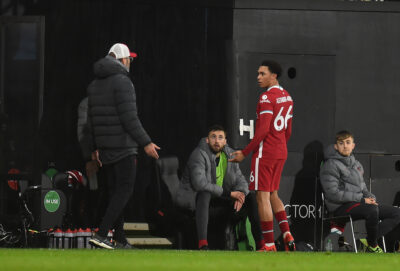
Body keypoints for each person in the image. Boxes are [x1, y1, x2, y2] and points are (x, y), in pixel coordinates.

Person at [86, 43, 160, 249]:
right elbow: (130, 118)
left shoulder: (94, 85)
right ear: (122, 60)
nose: (130, 63)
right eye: (129, 59)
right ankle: (102, 234)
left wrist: (94, 148)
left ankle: (119, 239)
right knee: (124, 191)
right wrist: (146, 142)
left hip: (104, 149)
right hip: (124, 147)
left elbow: (90, 121)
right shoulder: (123, 82)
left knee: (114, 193)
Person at [229, 60, 295, 251]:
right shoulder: (287, 97)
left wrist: (245, 152)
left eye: (262, 73)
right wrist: (280, 145)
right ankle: (286, 232)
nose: (258, 77)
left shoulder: (267, 98)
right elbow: (288, 130)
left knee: (262, 196)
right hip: (281, 150)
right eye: (258, 74)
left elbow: (263, 130)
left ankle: (268, 244)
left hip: (265, 152)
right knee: (274, 194)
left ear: (273, 75)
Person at [175, 125, 266, 250]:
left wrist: (240, 194)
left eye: (220, 137)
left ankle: (261, 245)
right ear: (207, 140)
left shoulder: (229, 155)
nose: (217, 141)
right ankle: (203, 244)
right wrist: (229, 194)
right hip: (198, 205)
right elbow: (199, 184)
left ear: (225, 141)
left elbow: (241, 180)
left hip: (221, 203)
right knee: (204, 193)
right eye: (213, 137)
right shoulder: (198, 154)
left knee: (250, 197)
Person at [320, 130, 400, 253]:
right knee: (371, 210)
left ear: (353, 145)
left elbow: (363, 188)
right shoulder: (330, 164)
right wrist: (362, 200)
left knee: (396, 213)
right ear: (336, 146)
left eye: (348, 142)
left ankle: (367, 241)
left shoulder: (356, 164)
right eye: (341, 143)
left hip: (358, 203)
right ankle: (372, 245)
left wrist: (371, 198)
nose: (345, 146)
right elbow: (333, 193)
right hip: (339, 207)